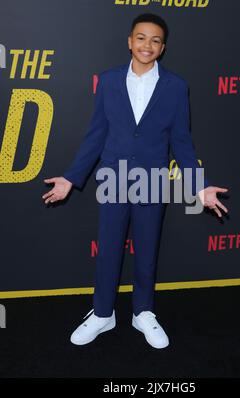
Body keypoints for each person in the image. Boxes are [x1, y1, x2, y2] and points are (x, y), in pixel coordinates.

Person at [42, 13, 229, 349]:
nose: (147, 45)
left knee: (146, 251)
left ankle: (143, 312)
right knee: (109, 250)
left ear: (163, 48)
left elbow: (182, 143)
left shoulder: (176, 86)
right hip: (114, 177)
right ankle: (102, 314)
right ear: (130, 41)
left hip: (154, 180)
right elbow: (96, 135)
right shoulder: (110, 81)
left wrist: (199, 186)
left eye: (155, 40)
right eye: (141, 38)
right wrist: (71, 178)